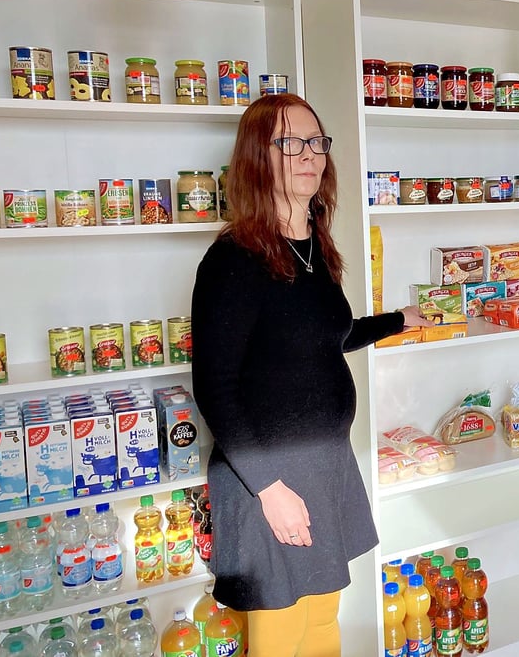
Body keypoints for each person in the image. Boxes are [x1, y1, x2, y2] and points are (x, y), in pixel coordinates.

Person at [191, 93, 430, 657]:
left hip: (324, 463)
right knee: (280, 632)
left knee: (322, 619)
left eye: (316, 141)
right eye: (289, 142)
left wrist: (397, 321)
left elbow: (324, 336)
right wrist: (270, 490)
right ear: (256, 157)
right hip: (267, 477)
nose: (308, 154)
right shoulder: (232, 259)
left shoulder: (312, 246)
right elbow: (215, 389)